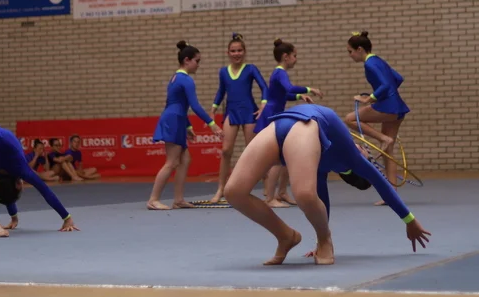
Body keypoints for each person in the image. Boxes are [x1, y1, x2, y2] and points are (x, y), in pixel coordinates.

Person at [224, 103, 430, 266]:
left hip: (305, 127)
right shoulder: (323, 158)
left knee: (305, 195)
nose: (366, 149)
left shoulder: (353, 158)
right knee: (234, 192)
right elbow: (323, 200)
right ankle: (286, 236)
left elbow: (382, 184)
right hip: (281, 124)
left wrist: (409, 220)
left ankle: (325, 241)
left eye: (367, 153)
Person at [147, 41, 223, 210]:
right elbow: (194, 106)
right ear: (187, 60)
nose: (198, 65)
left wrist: (187, 127)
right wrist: (212, 124)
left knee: (185, 159)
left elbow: (179, 104)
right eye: (197, 61)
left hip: (177, 119)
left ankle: (178, 199)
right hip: (173, 120)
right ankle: (153, 199)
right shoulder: (186, 80)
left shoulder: (176, 78)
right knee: (171, 162)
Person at [257, 39, 322, 208]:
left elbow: (284, 95)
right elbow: (290, 88)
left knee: (285, 157)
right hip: (272, 114)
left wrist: (300, 96)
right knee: (277, 159)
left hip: (277, 112)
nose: (296, 59)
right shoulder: (280, 72)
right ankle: (270, 198)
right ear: (286, 57)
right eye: (295, 55)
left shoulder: (279, 73)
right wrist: (309, 89)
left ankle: (282, 192)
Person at [345, 31, 410, 193]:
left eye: (350, 51)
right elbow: (398, 78)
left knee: (350, 119)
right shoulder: (379, 60)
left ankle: (383, 138)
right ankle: (391, 193)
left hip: (388, 107)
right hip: (398, 107)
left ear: (359, 49)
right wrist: (387, 95)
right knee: (388, 151)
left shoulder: (369, 64)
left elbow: (385, 85)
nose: (350, 55)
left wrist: (370, 98)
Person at [208, 33, 268, 204]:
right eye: (233, 51)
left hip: (249, 111)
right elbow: (221, 92)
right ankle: (221, 188)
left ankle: (266, 186)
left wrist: (263, 105)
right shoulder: (223, 71)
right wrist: (213, 110)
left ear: (244, 51)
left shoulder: (251, 69)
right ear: (228, 53)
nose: (236, 54)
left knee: (253, 151)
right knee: (226, 150)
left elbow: (264, 87)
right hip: (231, 112)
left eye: (239, 50)